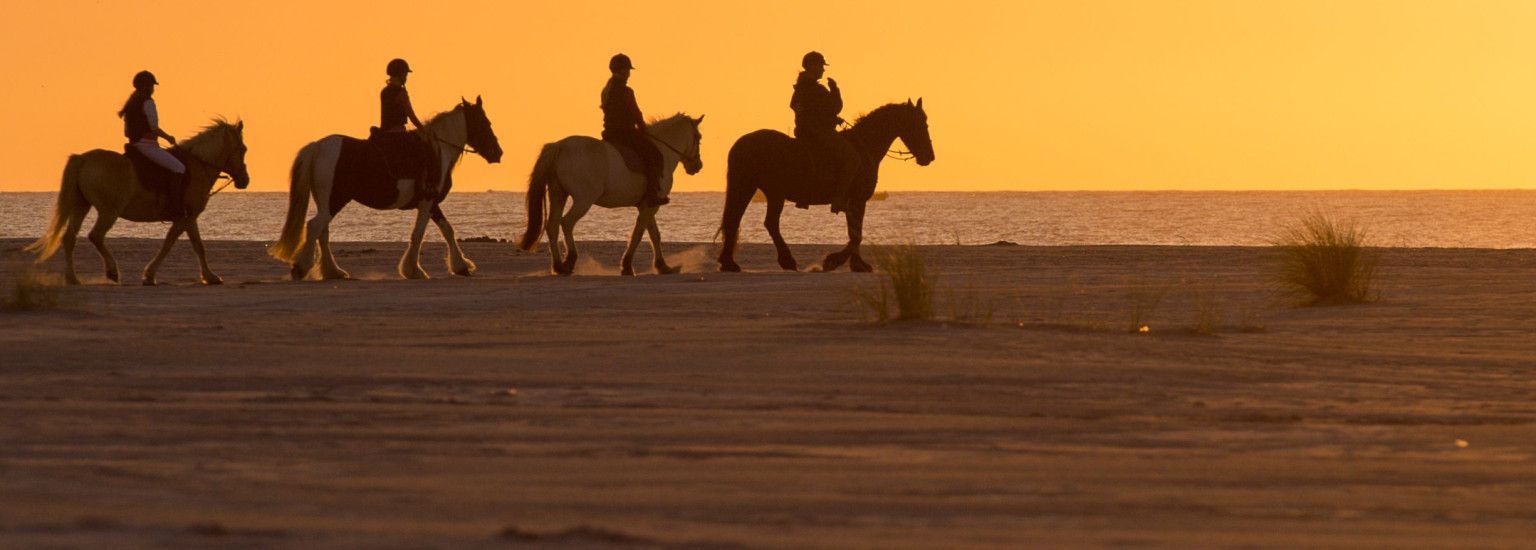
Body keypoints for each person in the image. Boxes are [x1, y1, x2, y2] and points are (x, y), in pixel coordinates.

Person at [790, 51, 860, 214]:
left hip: (804, 132)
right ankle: (839, 199)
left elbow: (808, 111)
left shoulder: (800, 88)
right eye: (820, 66)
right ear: (812, 66)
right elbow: (835, 106)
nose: (822, 70)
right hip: (819, 133)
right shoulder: (817, 89)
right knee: (853, 158)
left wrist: (832, 119)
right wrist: (835, 89)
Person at [601, 53, 666, 207]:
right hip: (625, 133)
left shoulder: (606, 90)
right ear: (623, 71)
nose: (629, 74)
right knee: (655, 155)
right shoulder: (626, 91)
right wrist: (644, 130)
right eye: (628, 70)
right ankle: (651, 195)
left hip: (609, 133)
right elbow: (636, 114)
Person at [118, 70, 186, 216]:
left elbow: (126, 132)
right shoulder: (148, 102)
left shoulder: (131, 104)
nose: (153, 89)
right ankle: (174, 207)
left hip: (134, 146)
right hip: (147, 146)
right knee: (179, 168)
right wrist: (169, 138)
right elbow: (154, 128)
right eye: (151, 86)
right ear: (147, 87)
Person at [374, 58, 439, 198]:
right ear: (400, 74)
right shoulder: (401, 92)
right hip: (398, 134)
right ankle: (425, 186)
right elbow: (412, 116)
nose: (406, 77)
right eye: (405, 74)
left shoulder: (384, 91)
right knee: (425, 152)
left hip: (385, 133)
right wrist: (424, 130)